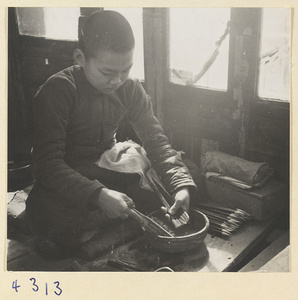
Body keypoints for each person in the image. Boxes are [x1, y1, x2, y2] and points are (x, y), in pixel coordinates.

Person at [26, 10, 196, 259]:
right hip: (68, 178)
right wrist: (98, 195)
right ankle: (100, 220)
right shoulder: (58, 90)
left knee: (183, 182)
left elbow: (156, 141)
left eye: (125, 70)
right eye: (107, 73)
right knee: (49, 213)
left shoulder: (130, 87)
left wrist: (180, 185)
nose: (117, 80)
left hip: (105, 168)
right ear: (80, 58)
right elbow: (47, 166)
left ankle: (98, 223)